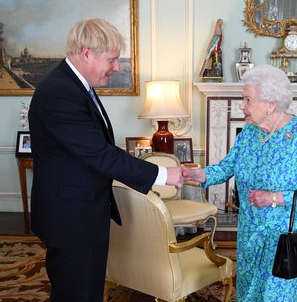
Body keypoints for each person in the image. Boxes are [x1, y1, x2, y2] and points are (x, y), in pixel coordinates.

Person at [27, 18, 183, 302]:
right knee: (76, 293)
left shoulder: (75, 86)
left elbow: (95, 149)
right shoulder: (60, 92)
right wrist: (163, 175)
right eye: (112, 60)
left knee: (84, 289)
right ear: (87, 53)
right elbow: (99, 153)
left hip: (79, 211)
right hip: (70, 217)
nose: (116, 67)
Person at [182, 65, 297, 301]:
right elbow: (226, 167)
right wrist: (199, 175)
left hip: (283, 234)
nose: (242, 105)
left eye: (248, 99)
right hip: (249, 231)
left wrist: (273, 198)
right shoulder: (249, 133)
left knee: (273, 295)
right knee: (248, 291)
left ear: (271, 103)